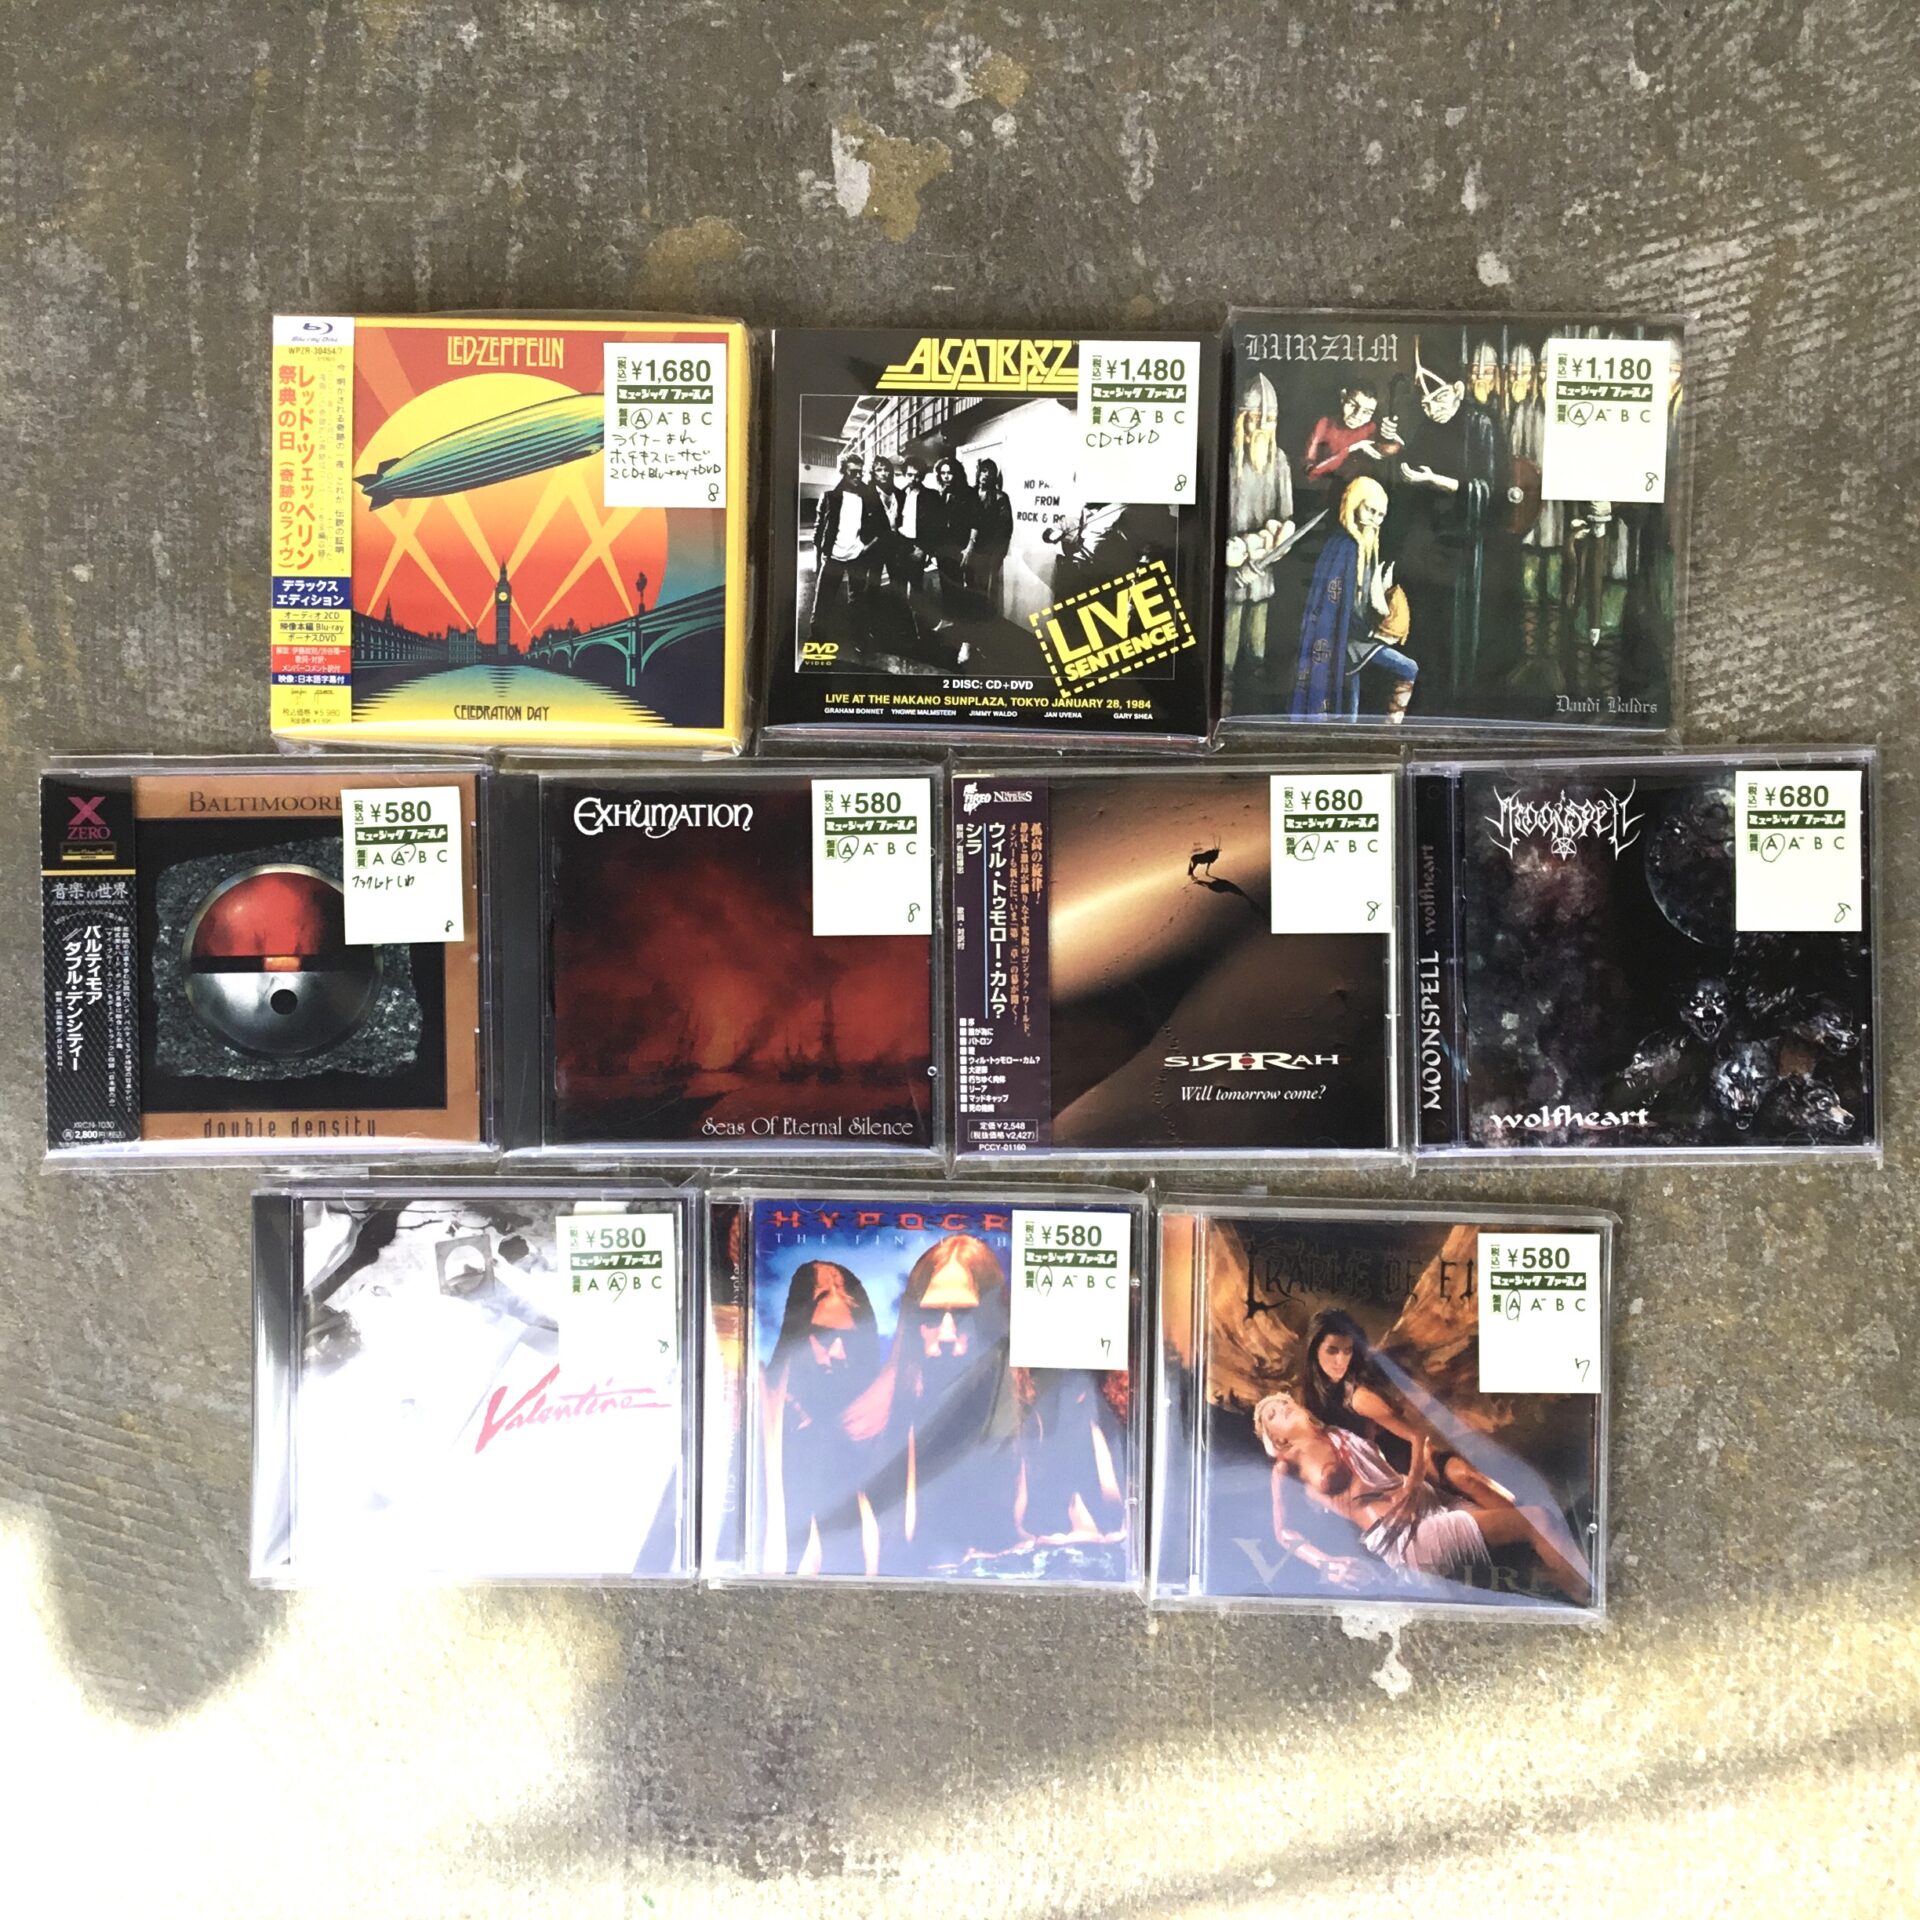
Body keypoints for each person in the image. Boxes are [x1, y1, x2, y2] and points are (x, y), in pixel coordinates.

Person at [1252, 1389, 1592, 1602]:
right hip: (1405, 1535)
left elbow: (1410, 1434)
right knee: (1538, 1521)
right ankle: (1588, 1599)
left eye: (1283, 1402)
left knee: (1530, 1533)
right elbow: (1284, 1532)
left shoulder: (1337, 1430)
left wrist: (1416, 1480)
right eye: (1271, 1414)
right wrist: (1328, 1563)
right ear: (1274, 1437)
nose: (1281, 1407)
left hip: (1430, 1502)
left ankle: (1571, 1589)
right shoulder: (1286, 1466)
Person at [844, 1233, 1017, 1573]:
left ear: (990, 1316)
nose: (948, 1334)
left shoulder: (1032, 1425)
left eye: (964, 1314)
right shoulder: (863, 1431)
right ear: (913, 1320)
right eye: (933, 1316)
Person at [1300, 1308, 1507, 1511]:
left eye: (1347, 1351)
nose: (1341, 1361)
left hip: (1413, 1461)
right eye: (1332, 1350)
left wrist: (1412, 1486)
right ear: (1314, 1349)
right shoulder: (1311, 1398)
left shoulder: (1359, 1396)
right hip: (1377, 1483)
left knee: (1466, 1478)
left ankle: (1525, 1522)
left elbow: (1417, 1437)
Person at [763, 1260, 881, 1576]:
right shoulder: (763, 1408)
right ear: (799, 1331)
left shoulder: (872, 1427)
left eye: (849, 1338)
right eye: (825, 1336)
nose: (839, 1353)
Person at [1287, 475, 1418, 721]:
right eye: (1370, 510)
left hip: (1356, 637)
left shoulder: (1365, 545)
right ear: (1355, 504)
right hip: (1346, 640)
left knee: (1351, 706)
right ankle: (1389, 726)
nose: (1375, 519)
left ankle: (1387, 729)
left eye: (1381, 515)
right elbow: (1336, 604)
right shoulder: (1345, 546)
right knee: (1406, 668)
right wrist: (1371, 630)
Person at [1222, 371, 1294, 709]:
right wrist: (1235, 554)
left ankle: (1256, 700)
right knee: (1228, 645)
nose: (1262, 426)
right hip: (1229, 575)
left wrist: (1268, 549)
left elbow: (1286, 520)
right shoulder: (1226, 461)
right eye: (1255, 418)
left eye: (1270, 420)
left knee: (1258, 646)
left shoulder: (1279, 462)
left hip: (1263, 574)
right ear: (1241, 419)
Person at [807, 450, 885, 658]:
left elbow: (880, 526)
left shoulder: (867, 497)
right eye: (853, 472)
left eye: (860, 472)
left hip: (857, 556)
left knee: (858, 601)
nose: (857, 476)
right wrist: (818, 557)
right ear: (843, 472)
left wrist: (866, 546)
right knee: (823, 600)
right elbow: (818, 530)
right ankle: (816, 642)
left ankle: (861, 641)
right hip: (833, 556)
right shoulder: (830, 497)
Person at [920, 454, 978, 664]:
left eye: (950, 473)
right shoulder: (942, 493)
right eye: (943, 473)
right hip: (944, 550)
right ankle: (948, 619)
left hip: (961, 550)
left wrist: (970, 547)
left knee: (963, 595)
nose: (946, 477)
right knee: (947, 588)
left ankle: (967, 642)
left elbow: (976, 522)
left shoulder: (969, 493)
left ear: (957, 473)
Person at [1302, 380, 1401, 485]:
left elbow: (1392, 450)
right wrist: (1351, 449)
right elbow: (1310, 473)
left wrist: (1395, 440)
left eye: (1367, 412)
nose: (1357, 416)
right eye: (1353, 405)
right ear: (1343, 396)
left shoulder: (1371, 428)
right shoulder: (1324, 424)